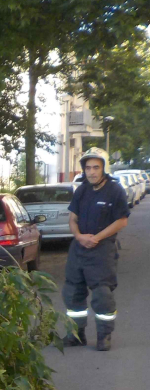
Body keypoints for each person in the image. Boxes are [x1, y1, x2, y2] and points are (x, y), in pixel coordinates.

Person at [62, 147, 128, 351]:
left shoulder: (115, 190)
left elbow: (122, 221)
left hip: (102, 249)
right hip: (79, 248)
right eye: (88, 167)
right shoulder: (81, 190)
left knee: (102, 294)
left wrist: (97, 238)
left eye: (96, 167)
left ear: (104, 168)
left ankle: (104, 335)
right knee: (72, 292)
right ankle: (76, 334)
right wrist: (79, 236)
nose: (91, 172)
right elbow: (72, 219)